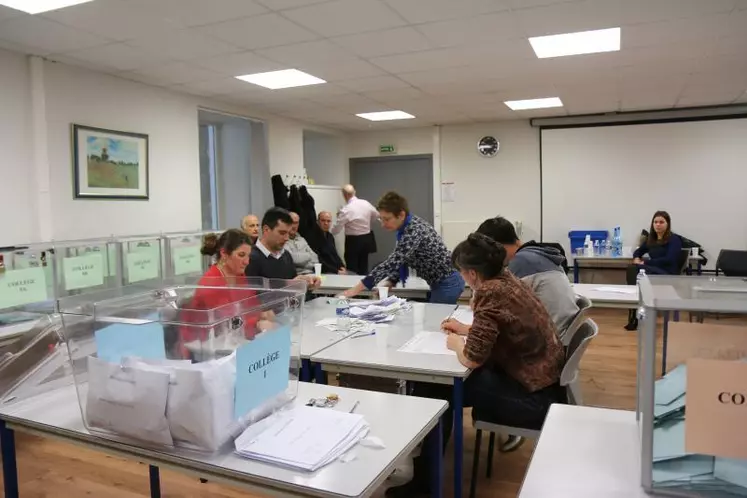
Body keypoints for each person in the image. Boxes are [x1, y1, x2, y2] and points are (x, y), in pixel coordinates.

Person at [385, 233, 566, 497]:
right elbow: (503, 325)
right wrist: (468, 327)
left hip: (531, 399)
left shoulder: (490, 291)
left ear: (471, 273)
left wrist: (457, 342)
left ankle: (424, 483)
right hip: (542, 384)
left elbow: (472, 358)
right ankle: (426, 471)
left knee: (435, 390)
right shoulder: (506, 279)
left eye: (461, 272)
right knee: (435, 388)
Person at [475, 216, 578, 452]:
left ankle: (510, 419)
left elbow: (499, 304)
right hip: (556, 340)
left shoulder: (520, 263)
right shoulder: (536, 253)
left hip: (542, 351)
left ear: (498, 247)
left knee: (483, 362)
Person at [342, 192, 464, 304]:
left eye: (387, 219)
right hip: (439, 282)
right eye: (381, 218)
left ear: (401, 215)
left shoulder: (414, 230)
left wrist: (355, 290)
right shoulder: (405, 229)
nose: (383, 224)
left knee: (437, 323)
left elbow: (392, 263)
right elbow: (403, 260)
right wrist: (391, 281)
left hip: (447, 283)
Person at [178, 229, 273, 357]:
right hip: (203, 348)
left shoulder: (239, 275)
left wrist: (263, 313)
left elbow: (251, 306)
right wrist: (257, 323)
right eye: (241, 255)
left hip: (231, 342)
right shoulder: (210, 282)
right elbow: (226, 323)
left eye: (248, 256)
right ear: (224, 254)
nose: (247, 262)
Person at [624, 210, 682, 330]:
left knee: (638, 270)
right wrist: (636, 257)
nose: (658, 224)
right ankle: (634, 311)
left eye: (661, 222)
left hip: (668, 273)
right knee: (632, 268)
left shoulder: (674, 239)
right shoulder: (651, 239)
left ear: (667, 224)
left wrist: (645, 262)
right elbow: (639, 251)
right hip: (652, 270)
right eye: (655, 222)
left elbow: (669, 259)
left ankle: (636, 314)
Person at [245, 207, 321, 290]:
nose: (286, 238)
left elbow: (293, 292)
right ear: (266, 230)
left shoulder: (286, 256)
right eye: (282, 233)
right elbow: (254, 297)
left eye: (288, 233)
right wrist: (289, 284)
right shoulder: (250, 258)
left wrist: (306, 285)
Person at [331, 184, 378, 275]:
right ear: (354, 192)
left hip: (353, 241)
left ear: (344, 195)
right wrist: (367, 222)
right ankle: (363, 287)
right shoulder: (366, 203)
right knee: (364, 266)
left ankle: (353, 287)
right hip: (366, 239)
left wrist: (332, 228)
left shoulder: (346, 210)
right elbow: (376, 215)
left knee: (352, 268)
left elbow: (336, 230)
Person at [285, 211, 320, 275]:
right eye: (292, 222)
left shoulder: (302, 239)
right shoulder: (283, 240)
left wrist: (300, 263)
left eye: (296, 223)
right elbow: (293, 259)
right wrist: (309, 255)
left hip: (311, 274)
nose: (294, 226)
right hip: (296, 277)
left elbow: (316, 258)